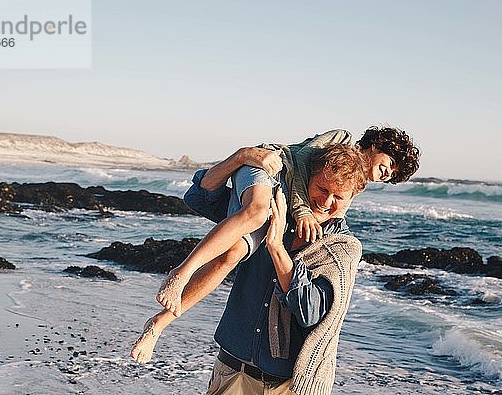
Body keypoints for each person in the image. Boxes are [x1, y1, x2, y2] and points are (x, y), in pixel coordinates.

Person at [133, 143, 369, 394]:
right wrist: (241, 156)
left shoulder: (341, 248)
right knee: (229, 252)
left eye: (339, 196)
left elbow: (310, 312)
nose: (326, 201)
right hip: (232, 370)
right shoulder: (271, 210)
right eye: (322, 188)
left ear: (352, 198)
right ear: (307, 178)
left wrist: (277, 249)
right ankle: (164, 312)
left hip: (286, 385)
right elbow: (200, 197)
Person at [154, 126, 419, 316]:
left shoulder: (349, 186)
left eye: (392, 175)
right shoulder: (341, 138)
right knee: (257, 211)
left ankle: (159, 324)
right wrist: (302, 211)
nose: (387, 174)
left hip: (278, 193)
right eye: (389, 163)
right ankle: (180, 273)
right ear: (376, 146)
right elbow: (298, 164)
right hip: (270, 167)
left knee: (233, 252)